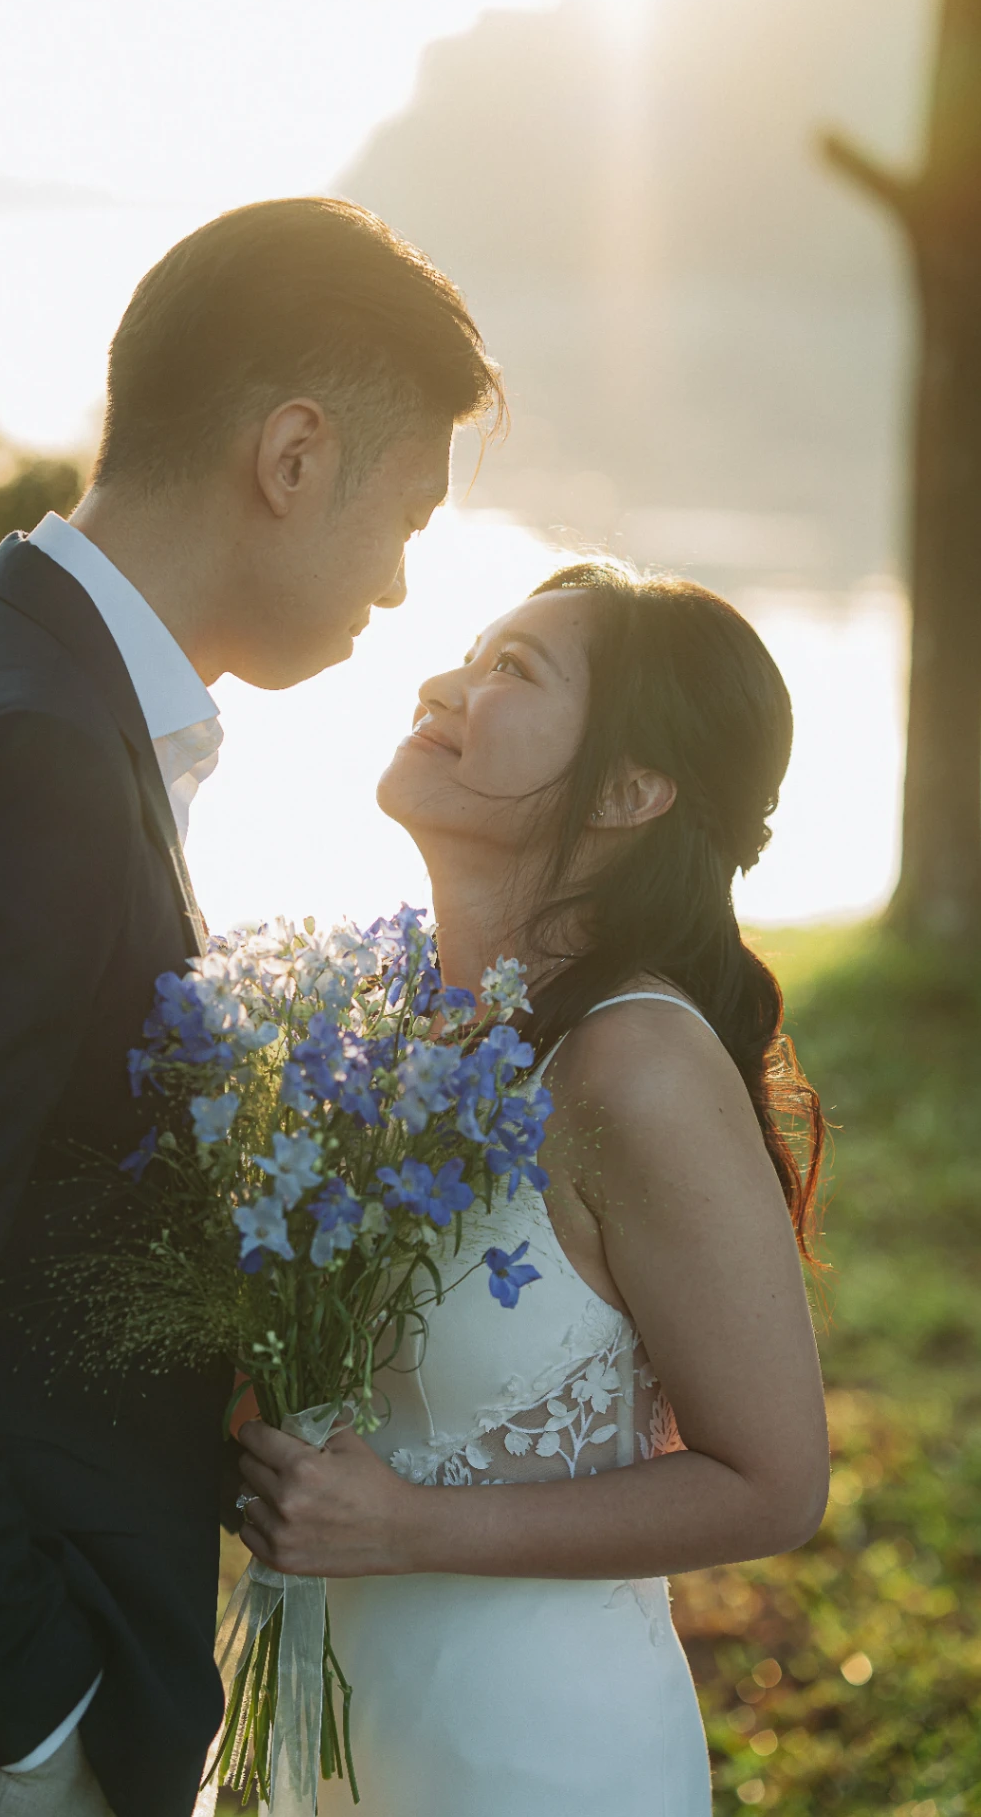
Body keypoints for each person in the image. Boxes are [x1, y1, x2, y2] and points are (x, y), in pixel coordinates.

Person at [0, 197, 501, 1817]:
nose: (397, 578)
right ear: (293, 456)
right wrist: (24, 1713)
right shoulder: (28, 749)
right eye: (408, 516)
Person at [235, 558, 830, 1817]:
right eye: (472, 649)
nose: (443, 681)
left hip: (525, 1754)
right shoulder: (387, 1032)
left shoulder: (635, 1064)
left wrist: (408, 1530)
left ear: (629, 789)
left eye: (512, 668)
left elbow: (775, 1481)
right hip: (318, 1721)